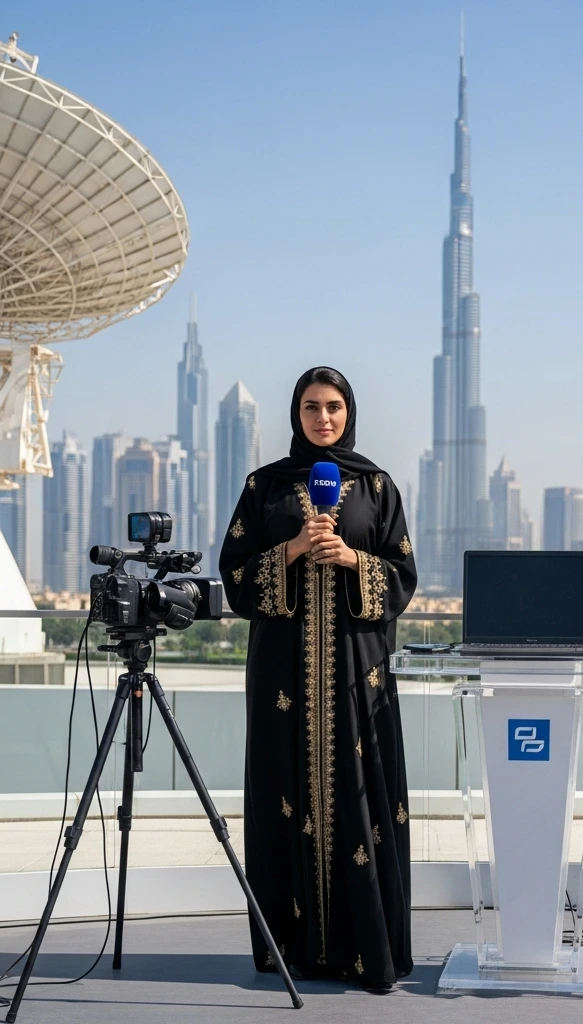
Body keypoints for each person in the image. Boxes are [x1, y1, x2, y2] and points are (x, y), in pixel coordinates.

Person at [219, 366, 417, 991]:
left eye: (333, 407)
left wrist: (356, 559)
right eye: (311, 407)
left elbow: (404, 576)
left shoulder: (375, 486)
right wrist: (296, 549)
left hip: (360, 677)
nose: (323, 418)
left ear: (349, 412)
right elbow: (235, 579)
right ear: (295, 414)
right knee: (284, 799)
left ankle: (367, 951)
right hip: (283, 681)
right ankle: (294, 951)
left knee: (364, 801)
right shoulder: (264, 487)